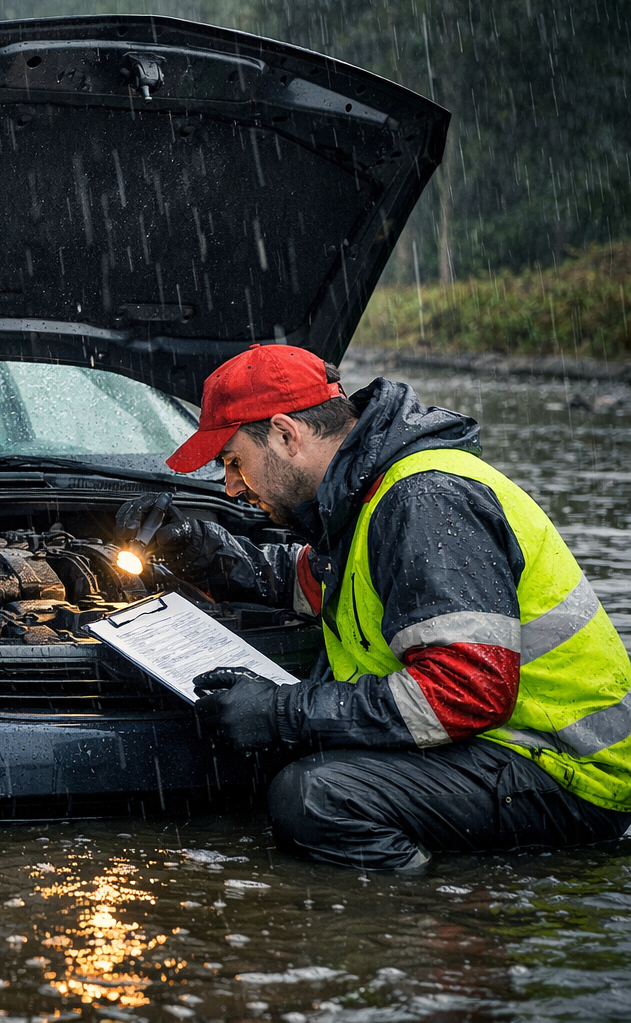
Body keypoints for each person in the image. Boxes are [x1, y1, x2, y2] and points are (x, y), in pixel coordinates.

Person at [114, 344, 631, 870]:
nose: (230, 487)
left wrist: (281, 711)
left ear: (285, 434)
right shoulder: (369, 491)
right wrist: (202, 548)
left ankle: (438, 920)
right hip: (504, 744)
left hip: (566, 769)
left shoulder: (424, 499)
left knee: (315, 797)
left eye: (233, 462)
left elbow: (464, 692)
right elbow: (315, 583)